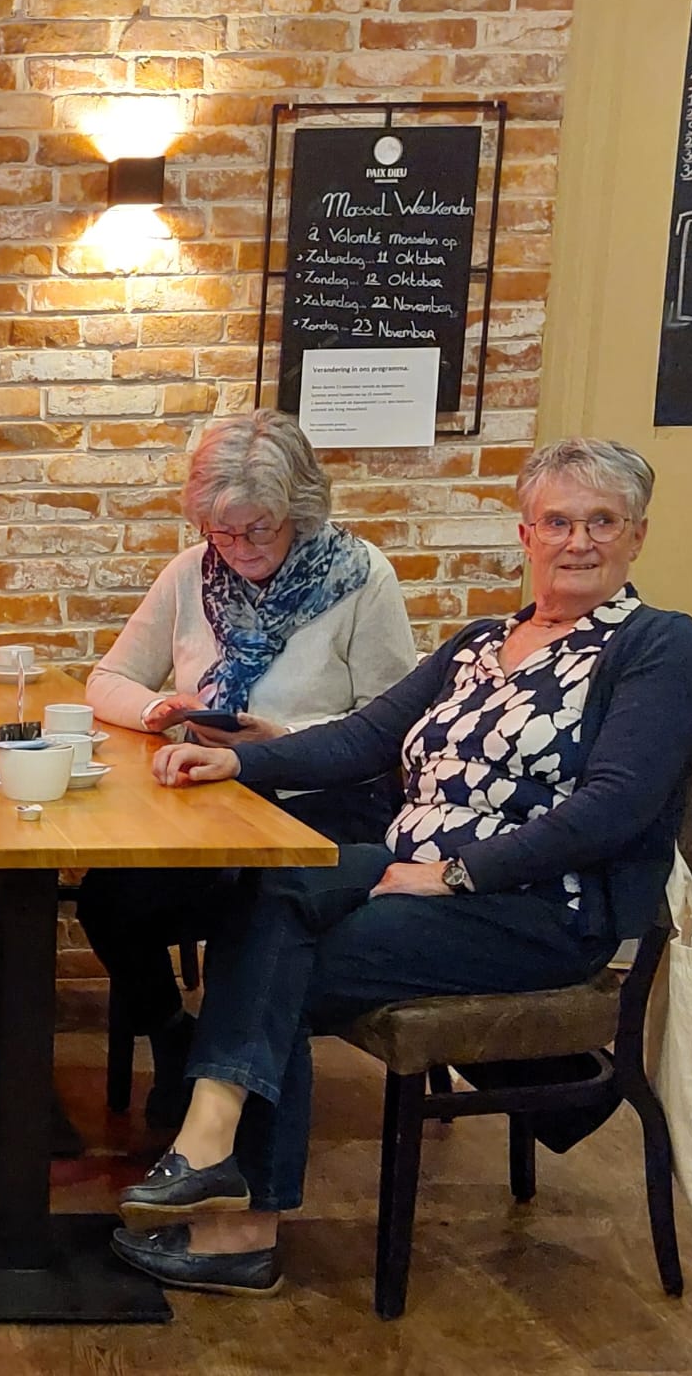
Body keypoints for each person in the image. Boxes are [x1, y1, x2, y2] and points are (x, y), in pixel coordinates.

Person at [107, 438, 692, 1298]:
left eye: (602, 521)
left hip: (537, 906)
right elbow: (364, 736)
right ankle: (211, 1163)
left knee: (283, 961)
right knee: (268, 886)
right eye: (557, 521)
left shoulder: (657, 644)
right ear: (526, 533)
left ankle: (235, 1220)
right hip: (408, 863)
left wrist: (461, 873)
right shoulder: (480, 641)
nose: (578, 541)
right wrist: (237, 761)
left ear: (637, 534)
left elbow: (614, 806)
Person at [80, 410, 416, 1124]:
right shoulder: (191, 573)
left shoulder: (363, 578)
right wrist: (160, 709)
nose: (238, 549)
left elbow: (391, 726)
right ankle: (176, 1037)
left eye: (257, 529)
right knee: (109, 899)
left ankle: (229, 1080)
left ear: (300, 508)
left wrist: (278, 739)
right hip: (212, 794)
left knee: (250, 897)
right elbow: (105, 680)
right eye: (221, 532)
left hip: (323, 798)